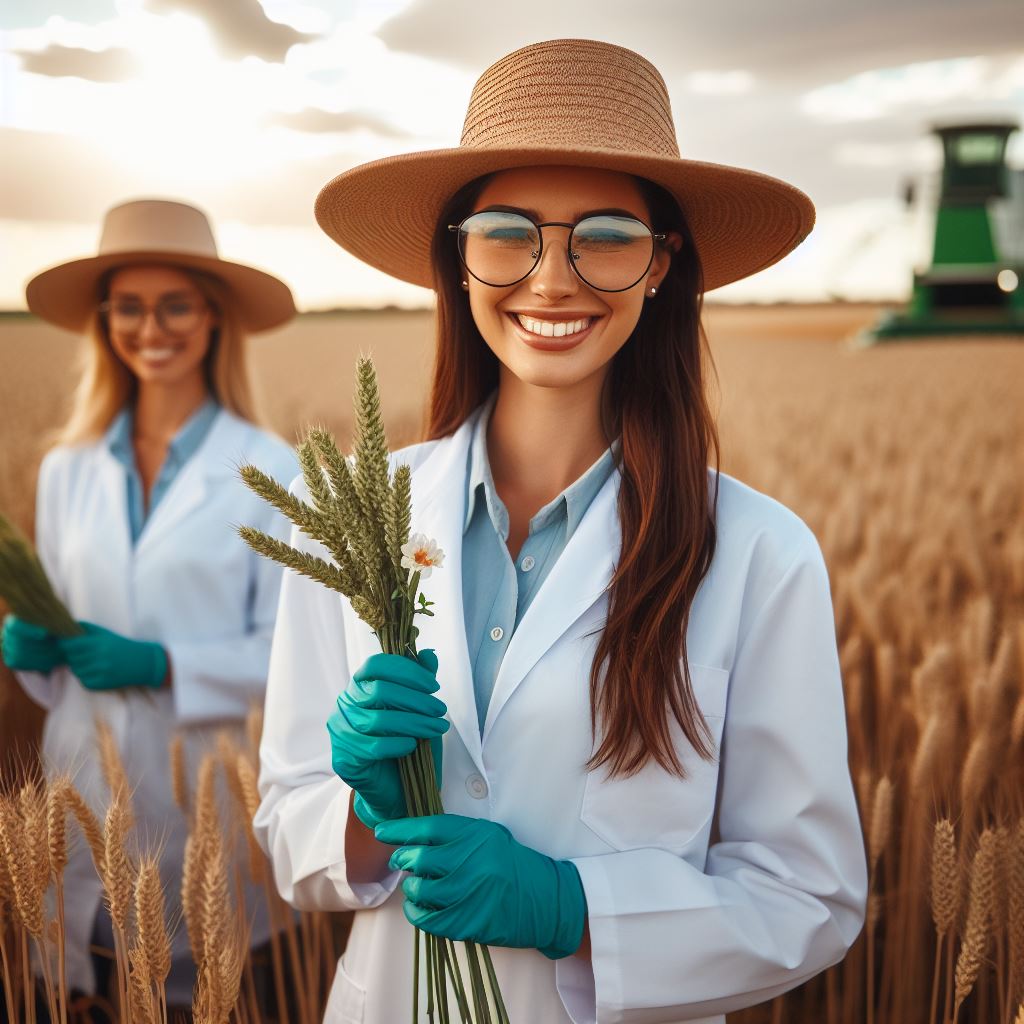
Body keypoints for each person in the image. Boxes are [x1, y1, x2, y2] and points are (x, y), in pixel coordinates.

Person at [254, 38, 867, 1024]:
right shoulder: (352, 518)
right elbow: (288, 840)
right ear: (457, 258)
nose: (550, 278)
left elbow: (810, 896)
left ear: (663, 265)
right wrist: (365, 811)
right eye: (506, 232)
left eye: (607, 234)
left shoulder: (760, 552)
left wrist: (573, 907)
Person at [2, 198, 298, 1013]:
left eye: (175, 304)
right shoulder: (67, 468)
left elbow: (294, 657)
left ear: (212, 317)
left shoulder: (272, 470)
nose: (150, 327)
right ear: (105, 321)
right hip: (77, 796)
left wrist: (166, 665)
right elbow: (63, 642)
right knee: (80, 994)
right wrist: (32, 653)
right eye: (127, 306)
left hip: (206, 813)